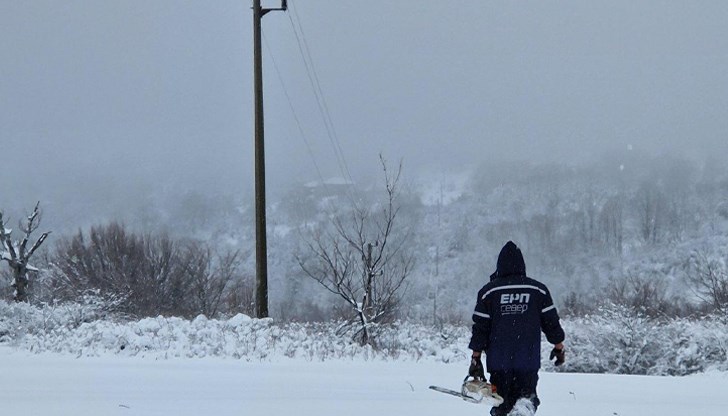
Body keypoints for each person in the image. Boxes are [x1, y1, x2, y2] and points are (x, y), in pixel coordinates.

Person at [467, 241, 565, 416]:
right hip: (527, 359)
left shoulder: (488, 292)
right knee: (527, 396)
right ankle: (523, 410)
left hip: (499, 361)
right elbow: (551, 323)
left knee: (501, 401)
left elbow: (480, 328)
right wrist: (558, 347)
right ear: (522, 265)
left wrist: (476, 358)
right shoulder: (537, 290)